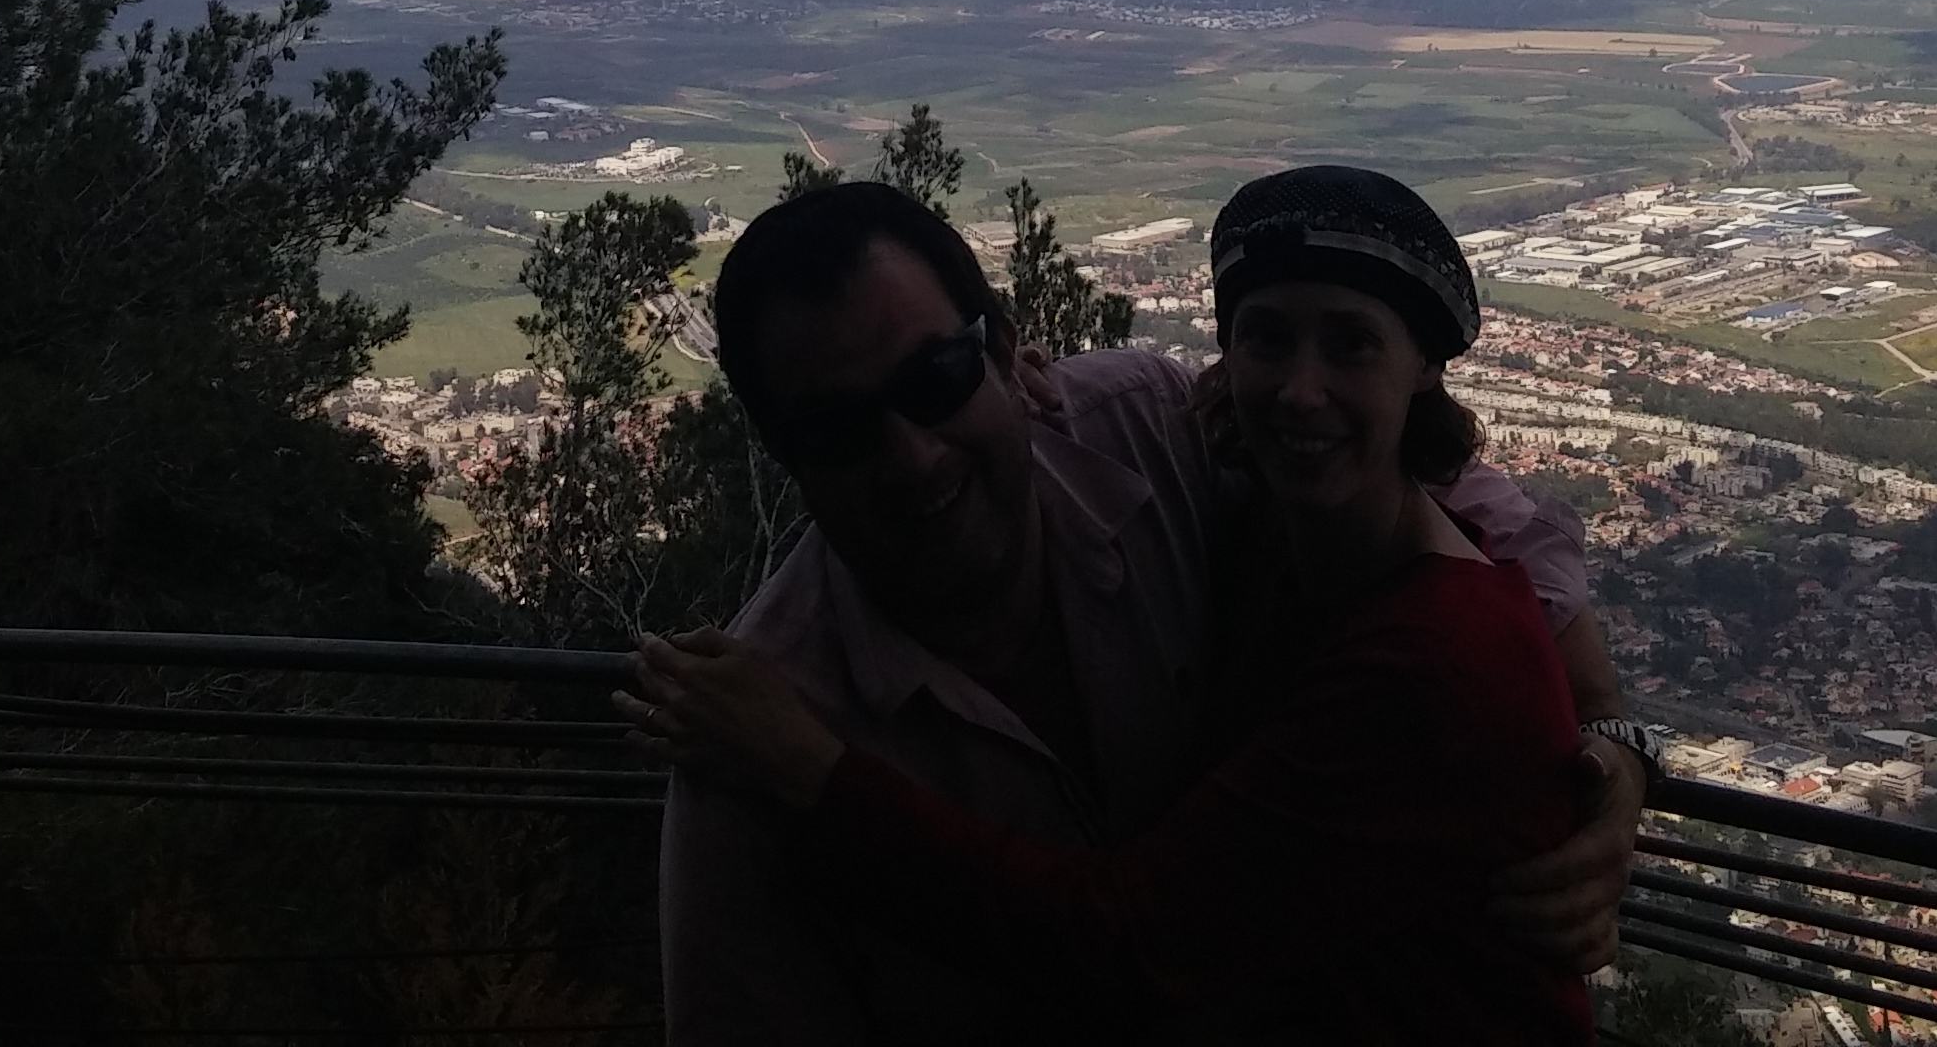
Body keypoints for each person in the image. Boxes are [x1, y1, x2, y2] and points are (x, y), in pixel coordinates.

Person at [637, 168, 1647, 1046]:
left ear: (1004, 356)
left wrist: (1608, 743)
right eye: (838, 427)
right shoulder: (752, 736)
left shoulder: (1148, 433)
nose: (912, 455)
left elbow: (1458, 514)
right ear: (781, 453)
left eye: (937, 380)